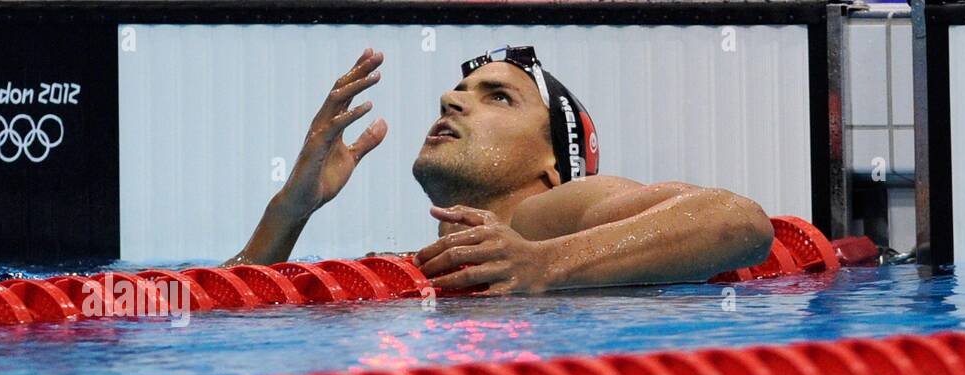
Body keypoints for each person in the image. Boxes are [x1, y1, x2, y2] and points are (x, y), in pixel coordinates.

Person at [227, 46, 774, 294]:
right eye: (460, 90)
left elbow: (740, 221)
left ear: (556, 165)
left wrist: (544, 263)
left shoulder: (551, 215)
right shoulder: (425, 262)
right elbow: (227, 307)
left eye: (499, 98)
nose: (450, 99)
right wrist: (290, 210)